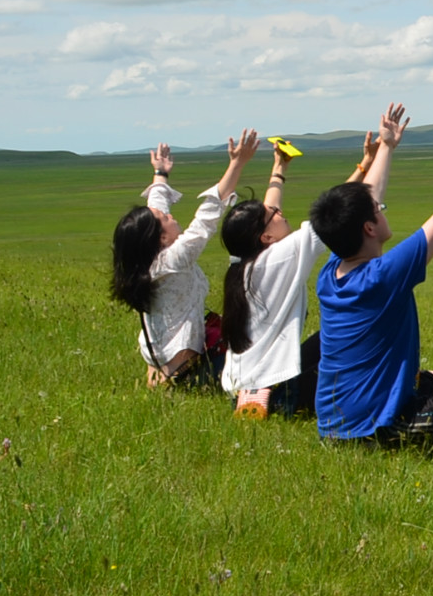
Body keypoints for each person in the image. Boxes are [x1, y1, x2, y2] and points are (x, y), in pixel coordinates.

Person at [308, 103, 433, 444]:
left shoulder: (333, 270)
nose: (383, 208)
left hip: (334, 426)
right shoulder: (383, 276)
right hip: (379, 429)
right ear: (370, 227)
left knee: (428, 380)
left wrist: (386, 147)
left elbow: (367, 199)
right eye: (378, 210)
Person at [220, 130, 381, 419]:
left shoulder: (243, 264)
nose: (281, 213)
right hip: (280, 393)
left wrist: (278, 170)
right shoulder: (281, 258)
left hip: (244, 382)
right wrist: (366, 164)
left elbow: (271, 209)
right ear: (266, 236)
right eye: (274, 215)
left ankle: (257, 400)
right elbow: (333, 213)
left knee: (328, 338)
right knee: (352, 338)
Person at [110, 132, 258, 387]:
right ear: (161, 240)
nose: (171, 216)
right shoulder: (174, 259)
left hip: (162, 355)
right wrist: (237, 163)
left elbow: (158, 204)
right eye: (165, 219)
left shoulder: (148, 261)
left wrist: (161, 173)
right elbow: (207, 217)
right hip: (185, 369)